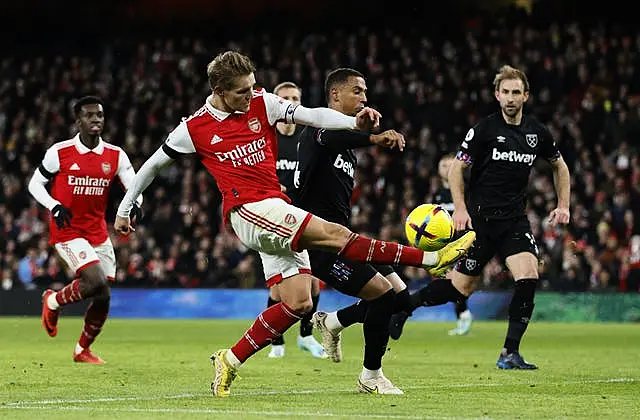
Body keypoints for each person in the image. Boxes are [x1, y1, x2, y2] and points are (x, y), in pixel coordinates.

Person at [114, 51, 475, 397]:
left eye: (253, 86)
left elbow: (314, 115)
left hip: (276, 208)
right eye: (241, 91)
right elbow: (151, 166)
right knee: (335, 235)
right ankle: (430, 259)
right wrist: (126, 207)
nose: (250, 95)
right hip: (248, 211)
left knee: (299, 303)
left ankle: (229, 359)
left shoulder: (262, 102)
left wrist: (354, 122)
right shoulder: (194, 128)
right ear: (219, 92)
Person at [389, 65, 571, 370]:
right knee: (460, 289)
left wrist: (563, 204)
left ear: (526, 95)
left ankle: (509, 353)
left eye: (517, 92)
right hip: (481, 222)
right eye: (506, 92)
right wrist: (460, 208)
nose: (511, 98)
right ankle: (405, 307)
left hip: (514, 220)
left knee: (528, 277)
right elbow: (458, 168)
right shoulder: (484, 130)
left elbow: (559, 165)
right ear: (497, 95)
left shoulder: (537, 132)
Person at [293, 68, 417, 394]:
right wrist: (373, 137)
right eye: (358, 91)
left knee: (398, 297)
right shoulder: (317, 128)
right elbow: (329, 136)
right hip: (319, 243)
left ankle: (333, 321)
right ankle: (371, 377)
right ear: (335, 94)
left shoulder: (346, 145)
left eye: (365, 92)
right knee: (383, 295)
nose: (364, 98)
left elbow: (342, 138)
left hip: (342, 238)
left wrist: (361, 130)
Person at [28, 96, 143, 364]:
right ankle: (53, 301)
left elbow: (134, 186)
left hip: (97, 232)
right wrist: (54, 205)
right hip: (67, 230)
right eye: (90, 116)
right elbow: (35, 184)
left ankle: (82, 350)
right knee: (95, 282)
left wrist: (135, 205)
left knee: (102, 295)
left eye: (100, 115)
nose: (96, 120)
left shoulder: (115, 155)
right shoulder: (60, 152)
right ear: (78, 120)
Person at [266, 81, 326, 359]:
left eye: (295, 98)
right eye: (285, 98)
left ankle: (305, 335)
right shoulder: (266, 138)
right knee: (280, 290)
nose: (290, 102)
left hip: (304, 218)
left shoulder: (307, 138)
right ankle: (276, 341)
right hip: (273, 221)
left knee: (313, 282)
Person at [388, 154, 473, 339]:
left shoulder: (467, 190)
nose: (447, 169)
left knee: (457, 283)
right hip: (444, 248)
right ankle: (462, 315)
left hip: (465, 244)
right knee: (454, 283)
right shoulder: (437, 195)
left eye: (451, 166)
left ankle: (462, 314)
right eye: (443, 166)